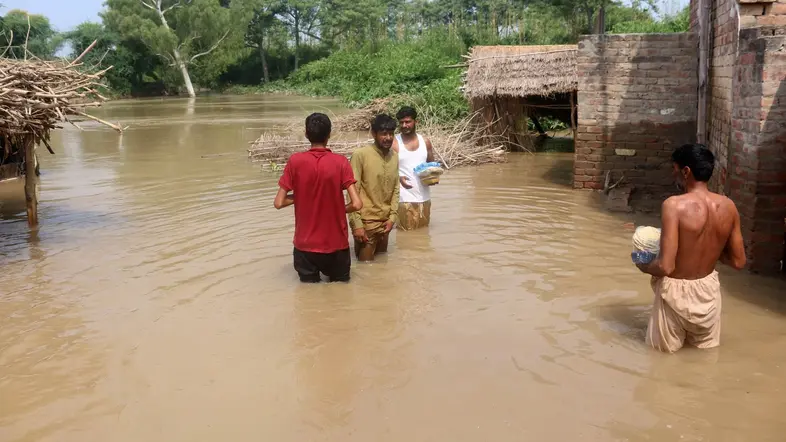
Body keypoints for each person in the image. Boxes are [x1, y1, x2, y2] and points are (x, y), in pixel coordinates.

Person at [636, 143, 746, 353]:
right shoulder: (729, 206)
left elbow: (666, 267)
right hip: (708, 291)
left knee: (661, 361)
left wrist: (642, 264)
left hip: (675, 290)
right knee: (706, 358)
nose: (673, 174)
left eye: (674, 169)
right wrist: (711, 248)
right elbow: (739, 261)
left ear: (686, 171)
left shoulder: (674, 205)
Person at [274, 113, 363, 283]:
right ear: (329, 134)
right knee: (341, 297)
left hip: (305, 246)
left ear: (306, 134)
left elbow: (279, 203)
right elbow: (357, 204)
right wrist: (337, 207)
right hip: (336, 245)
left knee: (308, 299)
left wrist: (302, 195)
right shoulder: (341, 162)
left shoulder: (295, 161)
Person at [348, 114, 400, 262]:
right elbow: (352, 192)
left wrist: (392, 218)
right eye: (384, 134)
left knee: (382, 266)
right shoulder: (360, 155)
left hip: (386, 223)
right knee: (365, 268)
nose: (388, 138)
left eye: (391, 134)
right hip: (366, 223)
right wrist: (357, 225)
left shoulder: (394, 156)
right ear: (374, 134)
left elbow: (396, 188)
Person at [392, 106, 436, 231]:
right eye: (401, 122)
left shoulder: (425, 142)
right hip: (404, 200)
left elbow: (431, 166)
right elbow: (386, 170)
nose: (404, 125)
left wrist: (433, 178)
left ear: (416, 122)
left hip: (425, 198)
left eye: (408, 122)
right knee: (405, 235)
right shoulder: (395, 143)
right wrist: (399, 177)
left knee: (423, 235)